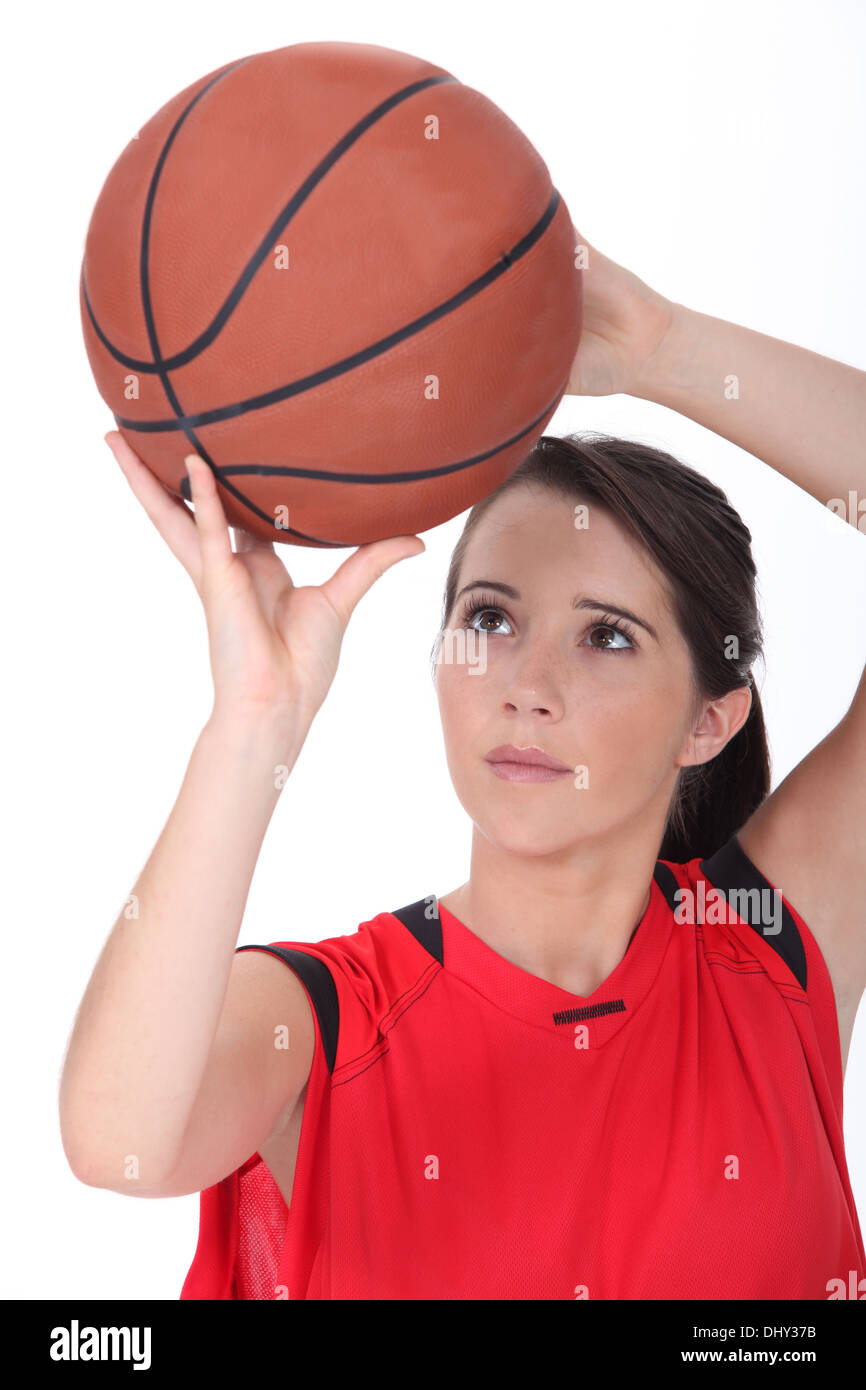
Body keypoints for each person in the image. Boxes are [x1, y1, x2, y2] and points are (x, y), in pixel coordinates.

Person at [59, 233, 866, 1300]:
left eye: (606, 635)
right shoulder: (326, 1018)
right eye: (489, 618)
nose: (524, 683)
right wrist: (251, 725)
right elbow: (117, 1145)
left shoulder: (769, 951)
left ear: (706, 722)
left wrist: (661, 348)